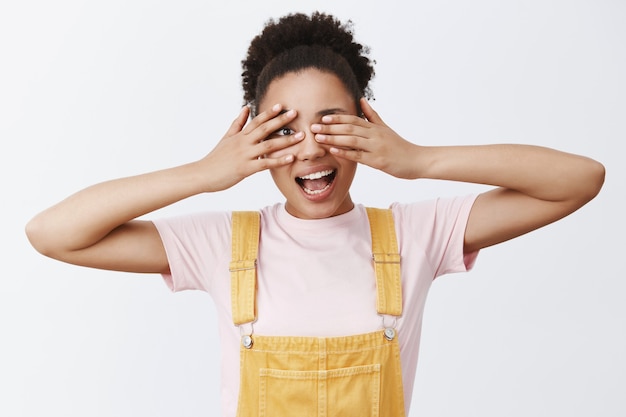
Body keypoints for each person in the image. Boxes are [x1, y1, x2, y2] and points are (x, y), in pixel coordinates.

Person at [25, 11, 604, 417]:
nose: (310, 149)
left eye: (330, 124)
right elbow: (53, 234)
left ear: (364, 125)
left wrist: (417, 160)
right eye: (284, 130)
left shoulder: (415, 233)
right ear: (255, 139)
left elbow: (580, 180)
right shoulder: (224, 244)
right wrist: (206, 174)